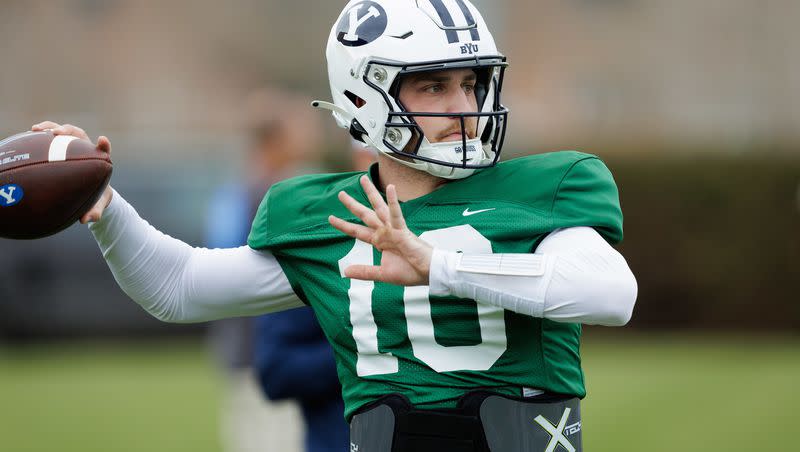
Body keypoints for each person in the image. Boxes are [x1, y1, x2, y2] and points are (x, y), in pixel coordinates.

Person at [32, 1, 637, 451]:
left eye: (471, 83)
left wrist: (437, 265)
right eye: (434, 85)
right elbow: (180, 287)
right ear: (363, 99)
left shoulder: (546, 188)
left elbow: (610, 293)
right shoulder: (329, 213)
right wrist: (106, 208)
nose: (464, 107)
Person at [206, 87, 325, 452]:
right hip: (271, 352)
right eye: (300, 130)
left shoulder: (232, 192)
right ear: (277, 139)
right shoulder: (288, 192)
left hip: (243, 350)